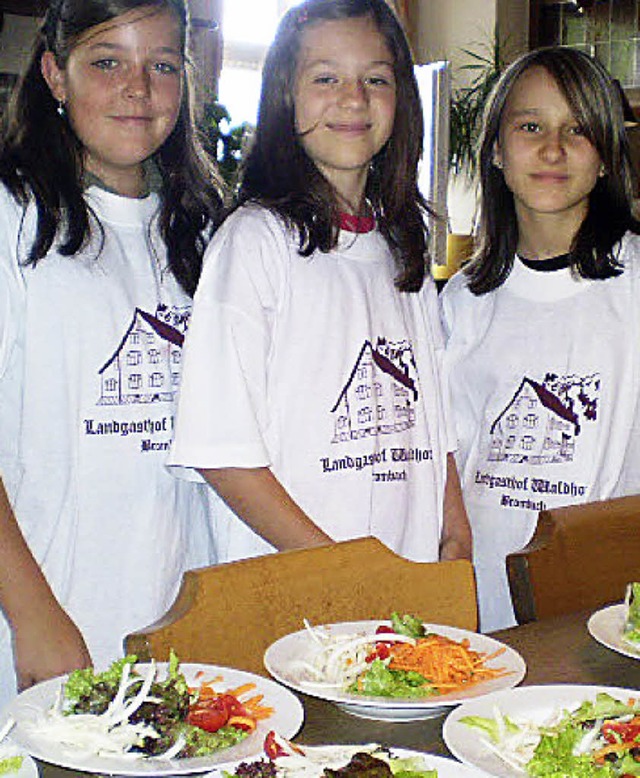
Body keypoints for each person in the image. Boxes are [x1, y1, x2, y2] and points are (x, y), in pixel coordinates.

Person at [168, 0, 471, 566]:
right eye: (325, 77)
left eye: (375, 79)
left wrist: (454, 530)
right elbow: (222, 454)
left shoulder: (401, 249)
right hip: (296, 599)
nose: (353, 99)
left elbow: (433, 425)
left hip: (403, 592)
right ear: (285, 95)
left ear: (402, 98)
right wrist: (340, 568)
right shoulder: (254, 242)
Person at [0, 0, 224, 707]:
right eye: (107, 62)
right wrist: (33, 613)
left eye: (162, 65)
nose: (139, 88)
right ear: (54, 75)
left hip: (170, 624)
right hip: (40, 621)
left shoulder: (202, 227)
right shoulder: (12, 217)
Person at [440, 46, 640, 632]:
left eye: (577, 130)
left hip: (607, 601)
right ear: (497, 150)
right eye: (531, 126)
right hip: (483, 601)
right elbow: (447, 456)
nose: (552, 150)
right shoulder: (463, 299)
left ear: (605, 156)